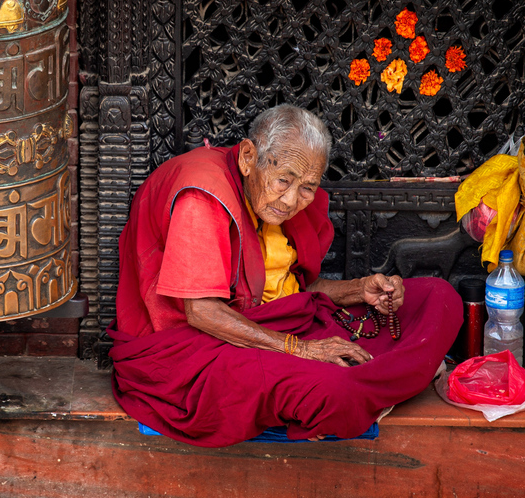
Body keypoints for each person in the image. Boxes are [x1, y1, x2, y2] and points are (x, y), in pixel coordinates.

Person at [109, 104, 462, 447]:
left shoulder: (266, 197)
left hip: (271, 324)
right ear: (248, 158)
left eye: (307, 187)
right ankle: (386, 379)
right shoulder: (204, 198)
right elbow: (202, 313)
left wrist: (360, 290)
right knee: (334, 392)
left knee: (438, 296)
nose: (292, 200)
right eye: (284, 181)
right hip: (197, 348)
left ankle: (377, 381)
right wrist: (301, 350)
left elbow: (294, 290)